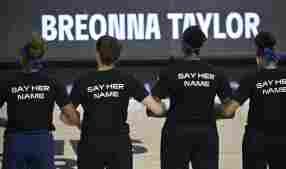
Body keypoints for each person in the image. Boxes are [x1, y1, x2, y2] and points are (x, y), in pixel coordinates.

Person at [65, 35, 166, 169]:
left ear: (97, 54)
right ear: (117, 56)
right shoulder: (128, 79)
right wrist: (163, 107)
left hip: (91, 143)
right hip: (119, 144)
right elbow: (157, 109)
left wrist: (78, 123)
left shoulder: (83, 81)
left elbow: (65, 116)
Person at [148, 25, 236, 169]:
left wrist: (167, 110)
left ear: (183, 45)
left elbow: (152, 107)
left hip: (175, 134)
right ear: (200, 46)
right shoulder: (216, 72)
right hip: (206, 135)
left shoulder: (170, 71)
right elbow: (229, 111)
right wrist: (208, 109)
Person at [0, 33, 80, 169]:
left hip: (15, 141)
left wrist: (6, 122)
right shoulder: (53, 82)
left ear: (22, 58)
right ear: (41, 59)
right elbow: (72, 116)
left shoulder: (7, 82)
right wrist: (81, 124)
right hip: (41, 142)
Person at [228, 31, 286, 169]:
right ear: (276, 59)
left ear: (258, 59)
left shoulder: (251, 78)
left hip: (255, 141)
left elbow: (229, 110)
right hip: (282, 140)